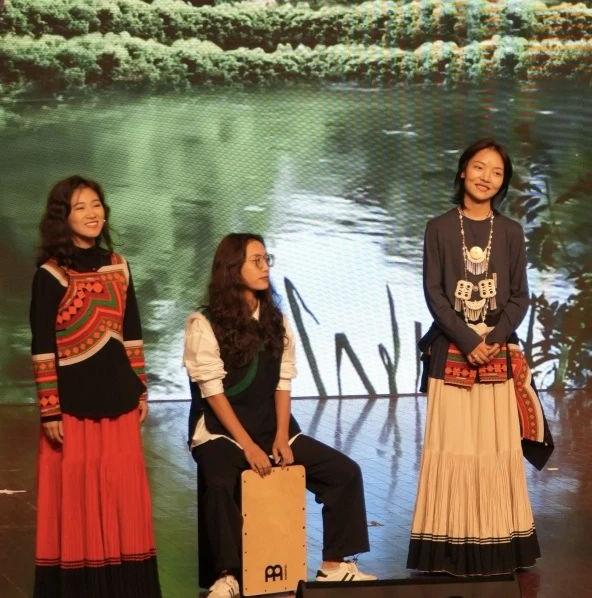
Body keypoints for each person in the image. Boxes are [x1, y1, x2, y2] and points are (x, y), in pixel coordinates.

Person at [183, 233, 375, 597]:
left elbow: (283, 382)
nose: (265, 267)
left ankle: (334, 565)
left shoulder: (277, 321)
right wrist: (248, 446)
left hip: (271, 428)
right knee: (219, 479)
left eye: (265, 259)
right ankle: (226, 576)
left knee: (343, 473)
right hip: (221, 431)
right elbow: (213, 393)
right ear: (232, 268)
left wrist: (281, 436)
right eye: (255, 260)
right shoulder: (202, 323)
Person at [408, 138, 549, 576]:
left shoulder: (510, 232)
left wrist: (494, 337)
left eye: (497, 172)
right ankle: (445, 549)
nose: (486, 177)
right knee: (451, 447)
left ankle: (499, 545)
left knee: (494, 448)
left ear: (503, 183)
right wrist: (469, 340)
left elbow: (519, 296)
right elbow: (434, 293)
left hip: (497, 352)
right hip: (450, 349)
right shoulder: (438, 227)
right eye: (479, 167)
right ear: (462, 170)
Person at [30, 176, 161, 597]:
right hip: (73, 406)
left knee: (123, 495)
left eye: (96, 204)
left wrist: (140, 388)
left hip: (119, 398)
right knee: (79, 499)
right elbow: (42, 345)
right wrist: (50, 408)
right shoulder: (51, 275)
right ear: (63, 217)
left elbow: (132, 331)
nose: (92, 213)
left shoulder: (119, 265)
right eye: (80, 207)